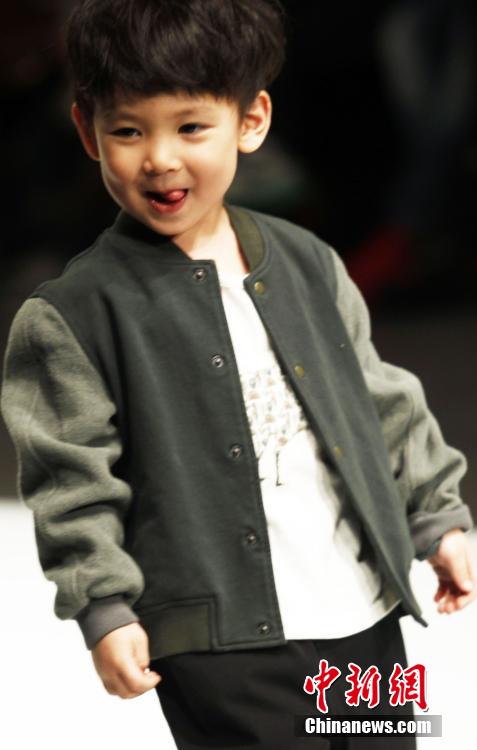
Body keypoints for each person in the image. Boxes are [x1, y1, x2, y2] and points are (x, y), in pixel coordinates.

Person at [1, 1, 476, 748]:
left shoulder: (308, 261)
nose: (160, 158)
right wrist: (104, 606)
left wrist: (435, 515)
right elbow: (71, 481)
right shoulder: (73, 314)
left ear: (250, 121)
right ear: (87, 131)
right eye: (128, 131)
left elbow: (380, 396)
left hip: (362, 610)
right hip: (222, 641)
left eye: (191, 127)